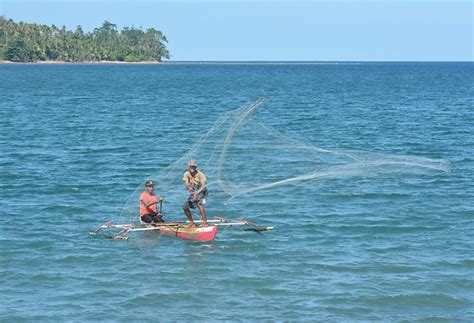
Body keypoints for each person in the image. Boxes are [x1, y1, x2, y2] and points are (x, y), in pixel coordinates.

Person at [182, 160, 208, 227]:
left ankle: (205, 223)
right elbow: (186, 183)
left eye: (194, 166)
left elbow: (204, 186)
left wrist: (197, 193)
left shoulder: (200, 174)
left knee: (199, 204)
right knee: (185, 207)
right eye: (191, 166)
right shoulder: (186, 174)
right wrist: (189, 188)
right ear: (188, 167)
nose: (192, 168)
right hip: (194, 193)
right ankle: (191, 222)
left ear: (196, 167)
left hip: (203, 192)